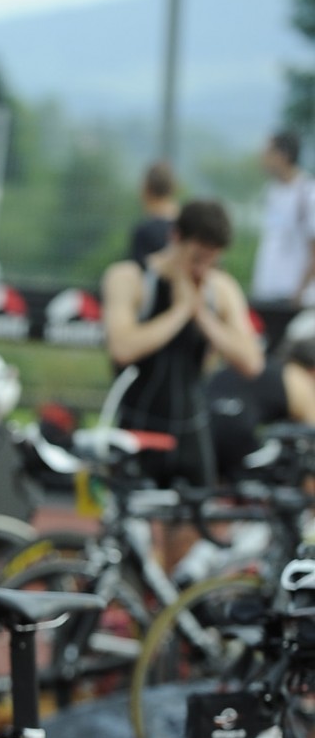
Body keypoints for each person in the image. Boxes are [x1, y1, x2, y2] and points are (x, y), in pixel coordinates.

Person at [102, 198, 262, 565]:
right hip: (137, 430)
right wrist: (178, 311)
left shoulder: (218, 289)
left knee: (184, 551)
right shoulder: (130, 277)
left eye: (211, 259)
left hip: (190, 433)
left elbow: (251, 361)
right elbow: (123, 347)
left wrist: (202, 314)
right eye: (196, 257)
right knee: (131, 553)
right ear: (176, 237)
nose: (203, 267)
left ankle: (165, 620)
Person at [203, 315, 315, 475]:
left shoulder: (269, 368)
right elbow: (312, 429)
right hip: (238, 437)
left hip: (204, 431)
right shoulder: (299, 379)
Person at [250, 130, 315, 348]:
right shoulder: (272, 191)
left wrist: (300, 291)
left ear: (283, 156)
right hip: (267, 292)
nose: (263, 158)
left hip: (291, 299)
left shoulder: (307, 193)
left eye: (268, 152)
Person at [128, 160, 181, 267]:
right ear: (174, 189)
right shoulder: (188, 226)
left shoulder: (144, 232)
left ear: (146, 189)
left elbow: (136, 271)